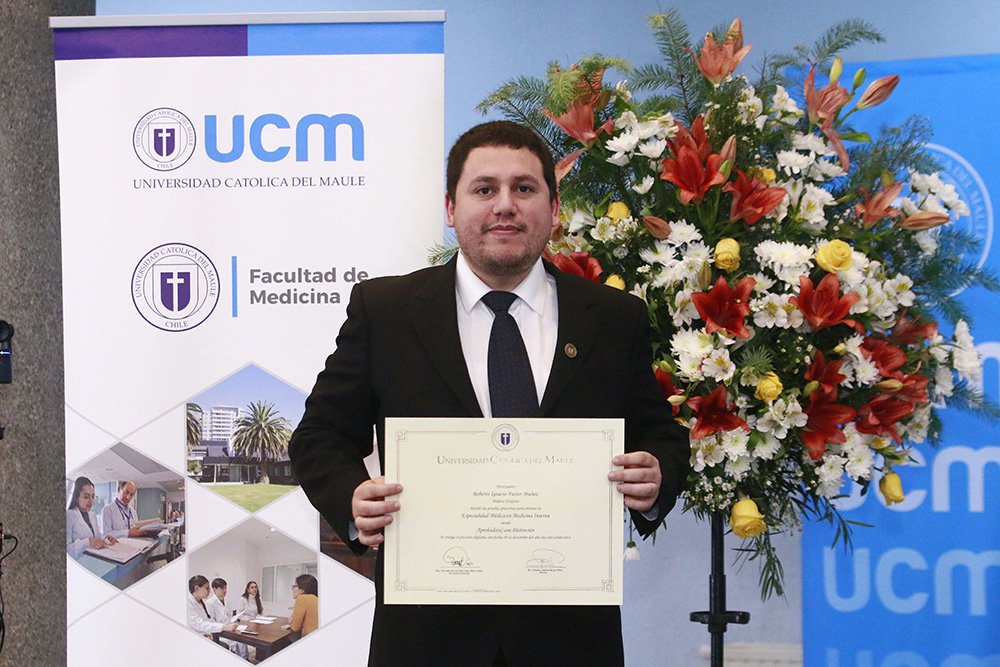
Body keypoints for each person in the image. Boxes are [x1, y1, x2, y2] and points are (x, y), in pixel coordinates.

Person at [288, 121, 690, 666]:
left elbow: (660, 434)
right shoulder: (385, 313)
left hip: (571, 640)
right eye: (484, 189)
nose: (505, 205)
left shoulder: (615, 318)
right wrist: (351, 497)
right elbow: (319, 436)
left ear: (554, 207)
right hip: (426, 640)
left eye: (524, 188)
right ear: (451, 208)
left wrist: (657, 474)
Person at [66, 476, 117, 559]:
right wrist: (87, 542)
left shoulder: (92, 517)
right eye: (86, 497)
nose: (91, 501)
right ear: (76, 497)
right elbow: (66, 550)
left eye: (93, 497)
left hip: (92, 559)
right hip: (78, 561)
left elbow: (96, 536)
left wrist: (105, 538)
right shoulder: (68, 516)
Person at [206, 577, 249, 659]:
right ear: (214, 589)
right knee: (236, 640)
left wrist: (231, 622)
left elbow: (230, 617)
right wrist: (224, 626)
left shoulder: (227, 601)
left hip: (229, 628)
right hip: (219, 631)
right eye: (222, 588)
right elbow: (211, 621)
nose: (225, 590)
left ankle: (244, 658)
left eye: (225, 588)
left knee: (242, 637)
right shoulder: (210, 603)